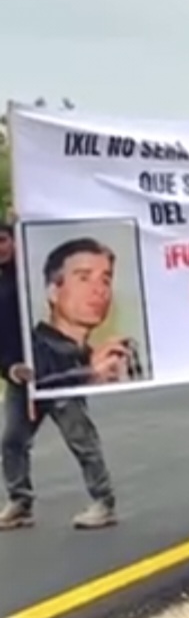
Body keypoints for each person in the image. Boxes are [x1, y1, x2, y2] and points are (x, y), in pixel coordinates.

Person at [0, 224, 118, 531]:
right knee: (12, 440)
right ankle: (19, 500)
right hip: (22, 377)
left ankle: (103, 501)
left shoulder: (29, 273)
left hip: (56, 371)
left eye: (3, 240)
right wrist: (10, 369)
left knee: (80, 439)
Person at [32, 237, 138, 390]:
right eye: (84, 278)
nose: (100, 290)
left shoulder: (97, 357)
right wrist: (90, 379)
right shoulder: (28, 352)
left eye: (105, 280)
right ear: (53, 292)